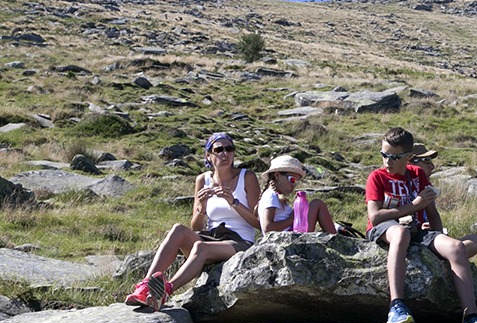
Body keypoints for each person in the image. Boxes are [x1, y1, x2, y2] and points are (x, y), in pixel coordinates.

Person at [366, 126, 477, 323]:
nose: (387, 161)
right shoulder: (377, 177)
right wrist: (412, 205)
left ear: (408, 157)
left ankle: (471, 320)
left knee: (456, 247)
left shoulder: (417, 174)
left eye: (394, 156)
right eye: (384, 155)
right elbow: (374, 217)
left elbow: (431, 211)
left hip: (418, 231)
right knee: (401, 233)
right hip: (386, 229)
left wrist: (439, 239)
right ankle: (396, 307)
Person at [124, 132, 261, 311]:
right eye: (219, 149)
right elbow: (196, 227)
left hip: (240, 241)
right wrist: (202, 207)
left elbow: (259, 223)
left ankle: (166, 291)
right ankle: (145, 286)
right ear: (208, 155)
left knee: (200, 248)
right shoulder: (202, 180)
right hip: (210, 237)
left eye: (229, 149)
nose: (225, 154)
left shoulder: (246, 177)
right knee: (178, 230)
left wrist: (234, 202)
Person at [408, 142, 477, 259]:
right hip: (413, 239)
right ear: (409, 162)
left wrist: (436, 231)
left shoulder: (425, 185)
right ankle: (451, 259)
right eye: (426, 161)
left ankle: (448, 260)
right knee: (462, 248)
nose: (432, 166)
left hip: (430, 237)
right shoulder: (399, 186)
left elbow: (432, 216)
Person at [257, 154, 338, 235]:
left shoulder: (273, 195)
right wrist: (292, 219)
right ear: (277, 175)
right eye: (292, 180)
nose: (294, 185)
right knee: (317, 204)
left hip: (289, 233)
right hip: (288, 237)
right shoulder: (270, 196)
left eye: (297, 182)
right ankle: (335, 240)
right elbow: (267, 228)